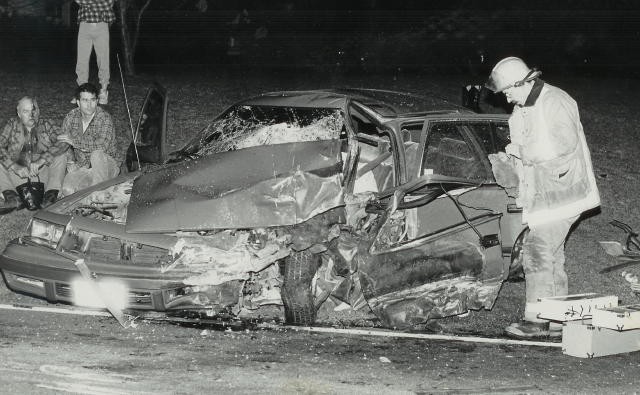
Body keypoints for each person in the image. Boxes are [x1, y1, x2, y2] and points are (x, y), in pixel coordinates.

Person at [486, 57, 600, 339]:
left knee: (537, 251)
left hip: (564, 196)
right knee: (552, 255)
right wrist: (510, 163)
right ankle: (556, 320)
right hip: (545, 198)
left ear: (521, 82)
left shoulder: (555, 101)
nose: (506, 97)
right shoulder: (522, 109)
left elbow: (563, 144)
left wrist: (521, 152)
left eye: (508, 91)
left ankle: (536, 322)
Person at [0, 97, 68, 213]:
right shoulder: (12, 124)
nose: (31, 115)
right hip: (18, 176)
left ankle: (50, 196)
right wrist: (14, 166)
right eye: (26, 111)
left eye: (33, 110)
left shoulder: (46, 123)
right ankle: (12, 197)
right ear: (19, 112)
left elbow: (63, 141)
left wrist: (41, 160)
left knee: (61, 156)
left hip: (42, 174)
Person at [61, 83, 120, 196]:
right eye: (85, 100)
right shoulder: (71, 117)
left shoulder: (104, 118)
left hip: (106, 165)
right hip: (84, 166)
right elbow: (63, 142)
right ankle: (95, 190)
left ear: (97, 101)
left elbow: (101, 146)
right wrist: (70, 161)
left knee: (96, 155)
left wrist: (74, 142)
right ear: (78, 102)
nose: (89, 105)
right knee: (68, 189)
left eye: (92, 100)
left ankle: (98, 195)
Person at [72, 0, 115, 105]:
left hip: (102, 25)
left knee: (103, 59)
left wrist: (88, 3)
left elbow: (108, 3)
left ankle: (104, 91)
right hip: (84, 25)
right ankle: (82, 91)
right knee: (81, 60)